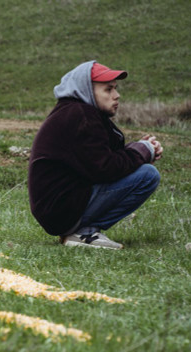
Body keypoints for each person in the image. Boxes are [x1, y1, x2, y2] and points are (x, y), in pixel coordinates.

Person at [28, 60, 163, 249]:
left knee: (143, 171)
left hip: (60, 207)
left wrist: (141, 149)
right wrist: (140, 153)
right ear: (87, 90)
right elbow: (105, 169)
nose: (117, 95)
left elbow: (99, 159)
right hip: (62, 209)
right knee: (147, 176)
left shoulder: (78, 112)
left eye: (115, 89)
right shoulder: (81, 116)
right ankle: (84, 232)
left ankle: (81, 232)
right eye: (108, 90)